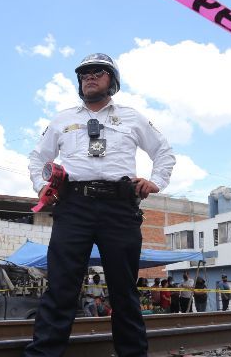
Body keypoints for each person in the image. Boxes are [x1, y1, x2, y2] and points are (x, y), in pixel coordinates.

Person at [24, 53, 176, 357]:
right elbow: (37, 158)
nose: (90, 77)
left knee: (124, 290)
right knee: (61, 286)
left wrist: (155, 180)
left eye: (98, 72)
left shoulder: (132, 117)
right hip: (73, 207)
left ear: (113, 81)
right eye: (84, 74)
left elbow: (164, 152)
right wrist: (43, 187)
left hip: (120, 208)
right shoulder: (63, 119)